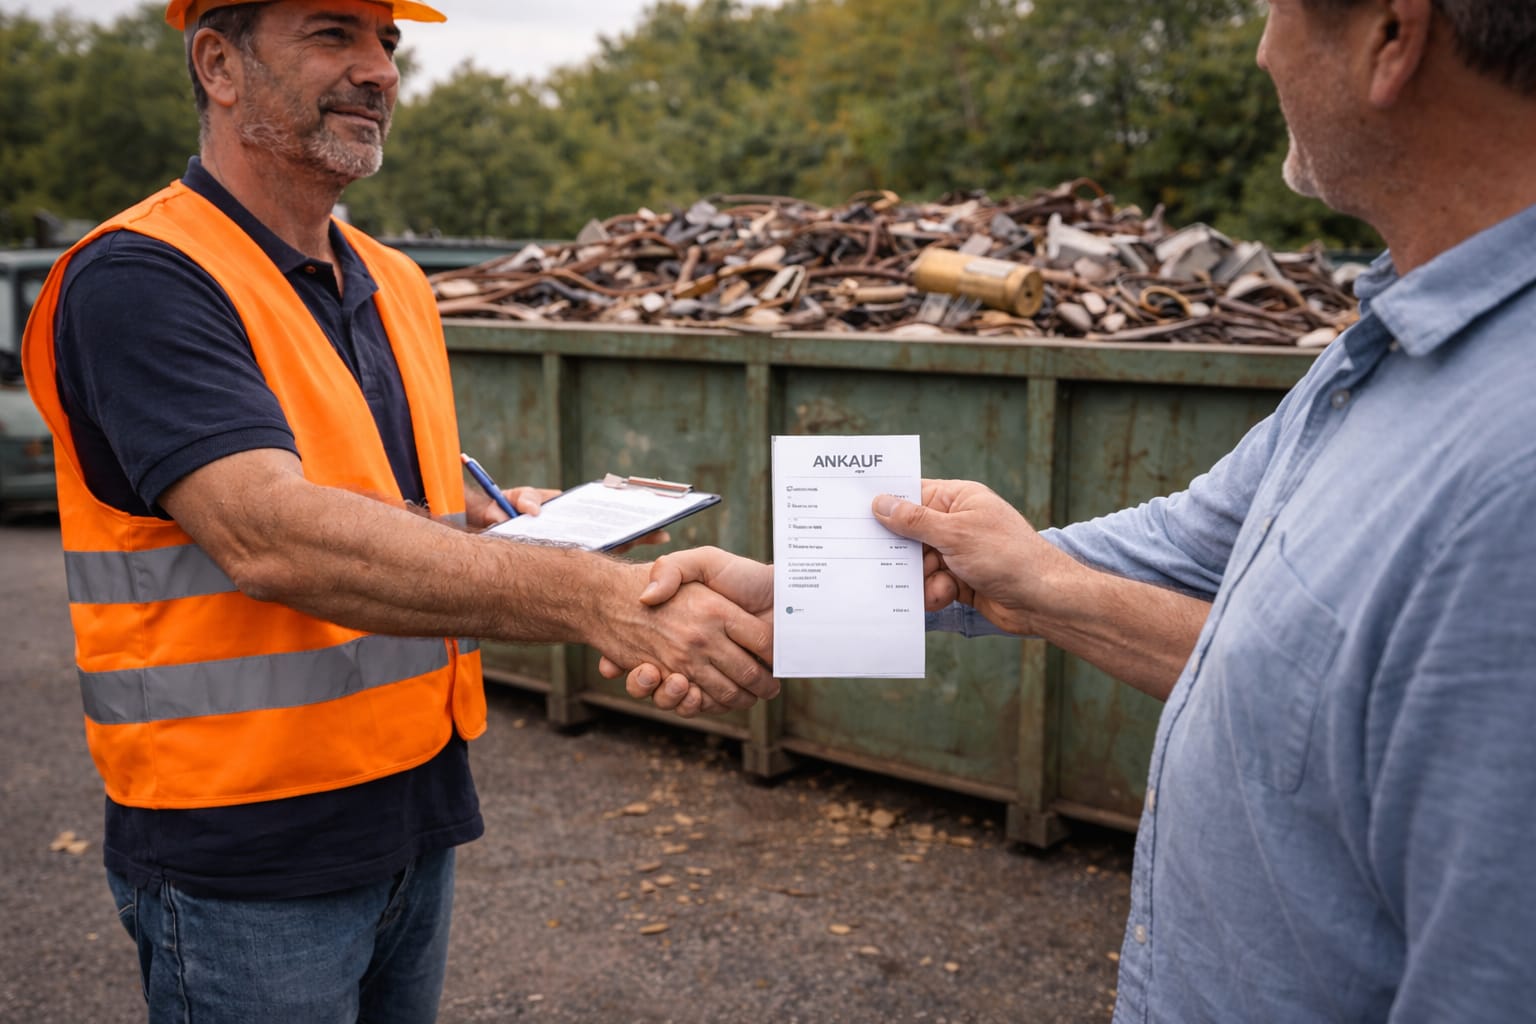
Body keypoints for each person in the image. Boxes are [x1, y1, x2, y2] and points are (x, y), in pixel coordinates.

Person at [618, 0, 1536, 1018]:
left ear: (1391, 39)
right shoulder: (1375, 362)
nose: (1264, 47)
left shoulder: (1512, 480)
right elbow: (1184, 555)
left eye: (1278, 12)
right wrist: (803, 592)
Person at [21, 1, 774, 1020]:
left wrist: (498, 524)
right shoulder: (142, 280)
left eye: (389, 42)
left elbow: (383, 501)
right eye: (334, 34)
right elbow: (271, 533)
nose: (378, 69)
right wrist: (600, 599)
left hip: (412, 808)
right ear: (218, 62)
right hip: (244, 845)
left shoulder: (396, 282)